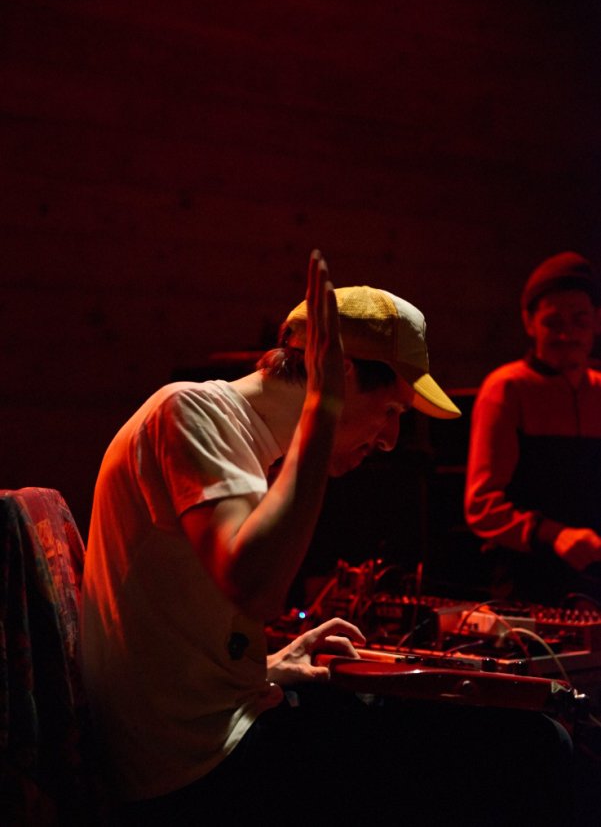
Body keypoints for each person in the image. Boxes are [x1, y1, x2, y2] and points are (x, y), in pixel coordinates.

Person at [80, 251, 464, 825]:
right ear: (342, 374)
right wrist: (321, 414)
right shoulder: (189, 411)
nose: (389, 439)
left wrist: (267, 664)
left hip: (220, 733)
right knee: (508, 752)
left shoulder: (241, 440)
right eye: (390, 410)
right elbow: (253, 586)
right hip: (189, 771)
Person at [465, 251, 601, 604]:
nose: (567, 334)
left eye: (579, 320)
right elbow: (481, 506)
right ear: (529, 322)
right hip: (527, 583)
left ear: (596, 322)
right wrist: (554, 534)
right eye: (554, 322)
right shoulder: (507, 388)